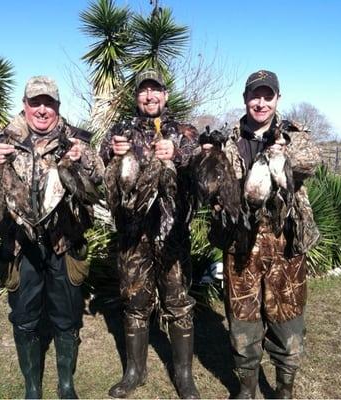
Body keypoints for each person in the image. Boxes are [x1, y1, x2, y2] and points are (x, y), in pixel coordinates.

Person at [0, 76, 104, 399]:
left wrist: (83, 157)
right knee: (25, 317)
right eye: (35, 102)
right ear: (25, 105)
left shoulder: (74, 138)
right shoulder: (4, 137)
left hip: (63, 242)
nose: (42, 110)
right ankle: (32, 386)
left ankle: (66, 384)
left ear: (57, 106)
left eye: (49, 103)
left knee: (67, 315)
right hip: (20, 245)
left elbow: (99, 173)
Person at [205, 70, 320, 399]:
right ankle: (246, 389)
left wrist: (283, 153)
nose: (260, 102)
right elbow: (210, 180)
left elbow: (311, 161)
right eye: (255, 95)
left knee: (287, 323)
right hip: (240, 243)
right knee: (243, 321)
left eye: (267, 96)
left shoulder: (293, 135)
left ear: (277, 100)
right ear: (245, 99)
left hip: (285, 243)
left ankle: (283, 391)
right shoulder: (226, 141)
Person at [99, 68, 200, 399]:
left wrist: (178, 152)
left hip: (172, 233)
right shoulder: (121, 131)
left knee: (178, 302)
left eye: (155, 90)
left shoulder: (183, 130)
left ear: (165, 95)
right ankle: (134, 371)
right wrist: (111, 151)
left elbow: (199, 158)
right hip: (133, 235)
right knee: (134, 301)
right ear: (137, 96)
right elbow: (99, 162)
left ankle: (184, 375)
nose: (150, 96)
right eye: (144, 90)